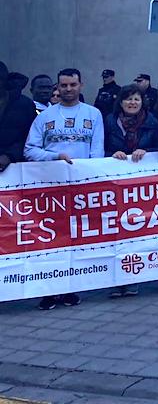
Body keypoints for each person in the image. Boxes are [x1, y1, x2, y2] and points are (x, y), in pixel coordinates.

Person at [26, 68, 104, 310]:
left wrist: (89, 177)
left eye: (73, 84)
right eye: (64, 85)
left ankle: (71, 288)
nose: (68, 89)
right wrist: (54, 156)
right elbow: (30, 150)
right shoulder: (44, 116)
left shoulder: (93, 114)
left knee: (76, 238)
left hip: (80, 188)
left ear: (81, 85)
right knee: (50, 240)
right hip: (51, 188)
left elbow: (97, 151)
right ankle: (49, 290)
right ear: (57, 87)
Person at [104, 84, 158, 298]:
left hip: (142, 186)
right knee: (115, 231)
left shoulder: (152, 121)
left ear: (142, 101)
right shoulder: (110, 122)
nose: (132, 103)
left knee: (137, 230)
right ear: (120, 102)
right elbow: (102, 149)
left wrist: (145, 151)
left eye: (136, 99)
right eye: (128, 99)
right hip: (115, 185)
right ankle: (116, 280)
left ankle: (133, 278)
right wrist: (112, 154)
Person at [0, 61, 36, 173]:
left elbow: (31, 137)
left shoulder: (24, 104)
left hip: (16, 170)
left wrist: (10, 156)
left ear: (4, 80)